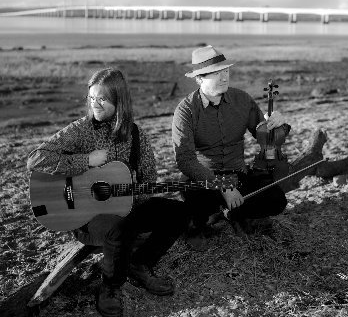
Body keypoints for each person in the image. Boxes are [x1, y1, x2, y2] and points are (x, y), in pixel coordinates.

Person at [27, 67, 189, 317]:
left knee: (179, 212)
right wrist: (86, 161)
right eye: (91, 98)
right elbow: (35, 159)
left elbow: (149, 178)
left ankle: (141, 263)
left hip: (124, 207)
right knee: (118, 227)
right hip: (86, 217)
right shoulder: (81, 130)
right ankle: (110, 287)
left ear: (119, 100)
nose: (95, 104)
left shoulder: (136, 136)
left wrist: (128, 195)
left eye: (102, 98)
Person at [172, 45, 290, 247]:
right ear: (199, 78)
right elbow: (184, 160)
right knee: (197, 200)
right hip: (205, 177)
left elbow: (265, 137)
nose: (224, 77)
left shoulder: (242, 99)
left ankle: (229, 212)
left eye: (225, 71)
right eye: (216, 73)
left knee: (277, 200)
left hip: (238, 174)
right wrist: (222, 186)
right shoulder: (186, 110)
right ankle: (220, 214)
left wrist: (279, 124)